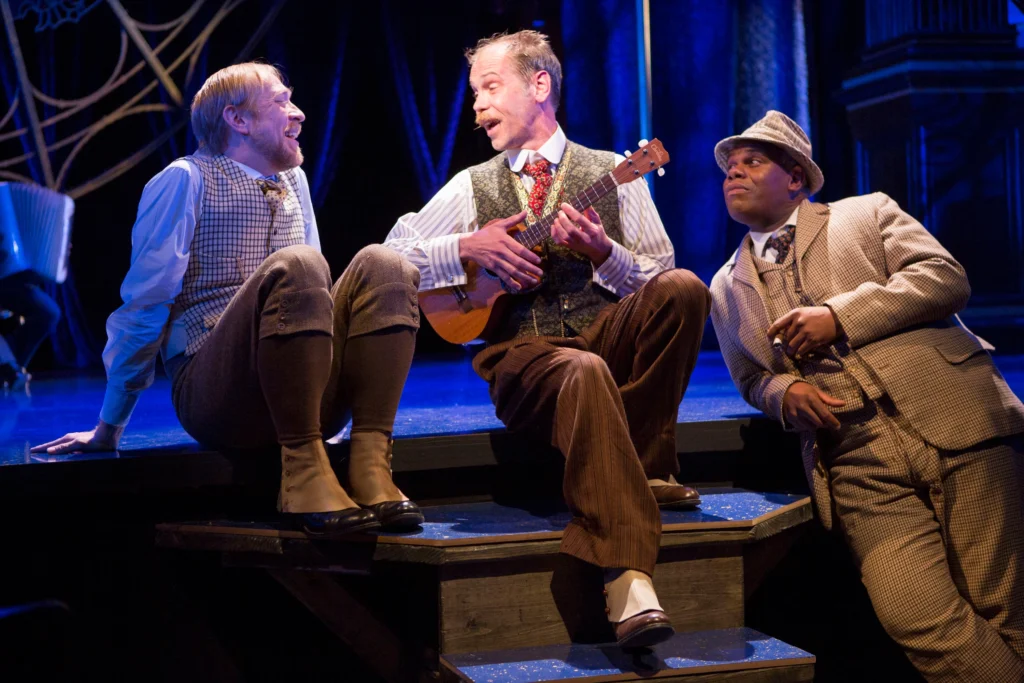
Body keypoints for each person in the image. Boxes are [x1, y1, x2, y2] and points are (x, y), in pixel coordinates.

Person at [384, 31, 710, 648]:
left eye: (490, 87)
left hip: (600, 338)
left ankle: (637, 472)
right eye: (474, 91)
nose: (477, 106)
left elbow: (658, 271)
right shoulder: (469, 186)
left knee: (688, 289)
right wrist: (465, 247)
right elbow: (388, 256)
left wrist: (604, 253)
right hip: (524, 358)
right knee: (576, 370)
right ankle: (627, 575)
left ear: (539, 86)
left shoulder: (613, 172)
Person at [32, 62, 424, 534]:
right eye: (280, 102)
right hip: (218, 393)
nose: (297, 114)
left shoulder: (295, 182)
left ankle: (370, 463)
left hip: (301, 391)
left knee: (388, 265)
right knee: (299, 264)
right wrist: (109, 427)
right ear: (238, 120)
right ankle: (301, 473)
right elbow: (145, 304)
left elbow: (317, 295)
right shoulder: (185, 180)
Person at [709, 110, 1024, 681]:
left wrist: (838, 315)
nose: (735, 172)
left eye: (753, 162)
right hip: (855, 461)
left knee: (1006, 605)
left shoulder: (866, 213)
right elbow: (751, 378)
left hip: (956, 419)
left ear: (796, 178)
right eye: (730, 168)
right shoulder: (724, 285)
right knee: (917, 618)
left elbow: (944, 277)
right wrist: (784, 392)